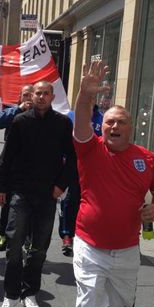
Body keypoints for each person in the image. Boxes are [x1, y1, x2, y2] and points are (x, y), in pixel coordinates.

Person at [72, 61, 154, 307]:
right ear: (101, 127)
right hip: (90, 245)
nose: (114, 126)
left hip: (127, 248)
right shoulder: (90, 148)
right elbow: (80, 121)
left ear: (131, 128)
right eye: (109, 122)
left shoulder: (147, 158)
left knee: (115, 306)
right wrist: (84, 96)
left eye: (121, 122)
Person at [0, 81, 76, 307]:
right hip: (20, 191)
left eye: (45, 93)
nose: (40, 97)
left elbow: (71, 158)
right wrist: (2, 187)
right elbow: (7, 156)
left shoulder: (62, 123)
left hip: (47, 194)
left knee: (39, 248)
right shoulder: (21, 120)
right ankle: (10, 295)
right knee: (14, 244)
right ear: (32, 96)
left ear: (52, 96)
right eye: (36, 93)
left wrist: (61, 185)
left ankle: (30, 293)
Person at [0, 84, 34, 251]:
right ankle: (4, 235)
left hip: (32, 168)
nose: (29, 98)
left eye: (32, 95)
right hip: (11, 166)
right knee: (7, 203)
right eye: (26, 95)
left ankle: (28, 239)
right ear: (20, 98)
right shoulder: (13, 111)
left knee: (31, 206)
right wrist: (18, 109)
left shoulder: (40, 114)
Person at [60, 101, 104, 256]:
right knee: (69, 201)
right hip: (73, 166)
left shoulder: (102, 119)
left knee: (90, 203)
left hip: (94, 169)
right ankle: (67, 236)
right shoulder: (70, 117)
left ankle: (87, 236)